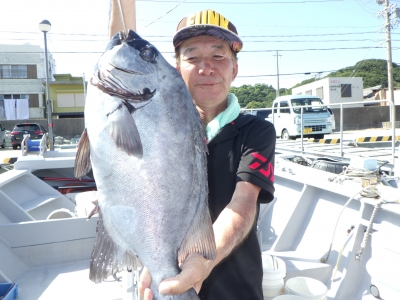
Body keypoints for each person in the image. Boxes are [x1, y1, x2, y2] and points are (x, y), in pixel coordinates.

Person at [109, 3, 276, 300]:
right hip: (163, 278)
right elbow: (118, 60)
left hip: (239, 289)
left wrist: (203, 259)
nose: (206, 68)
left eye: (218, 55)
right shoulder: (156, 124)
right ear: (176, 69)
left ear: (234, 68)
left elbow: (244, 203)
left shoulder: (257, 131)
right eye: (193, 57)